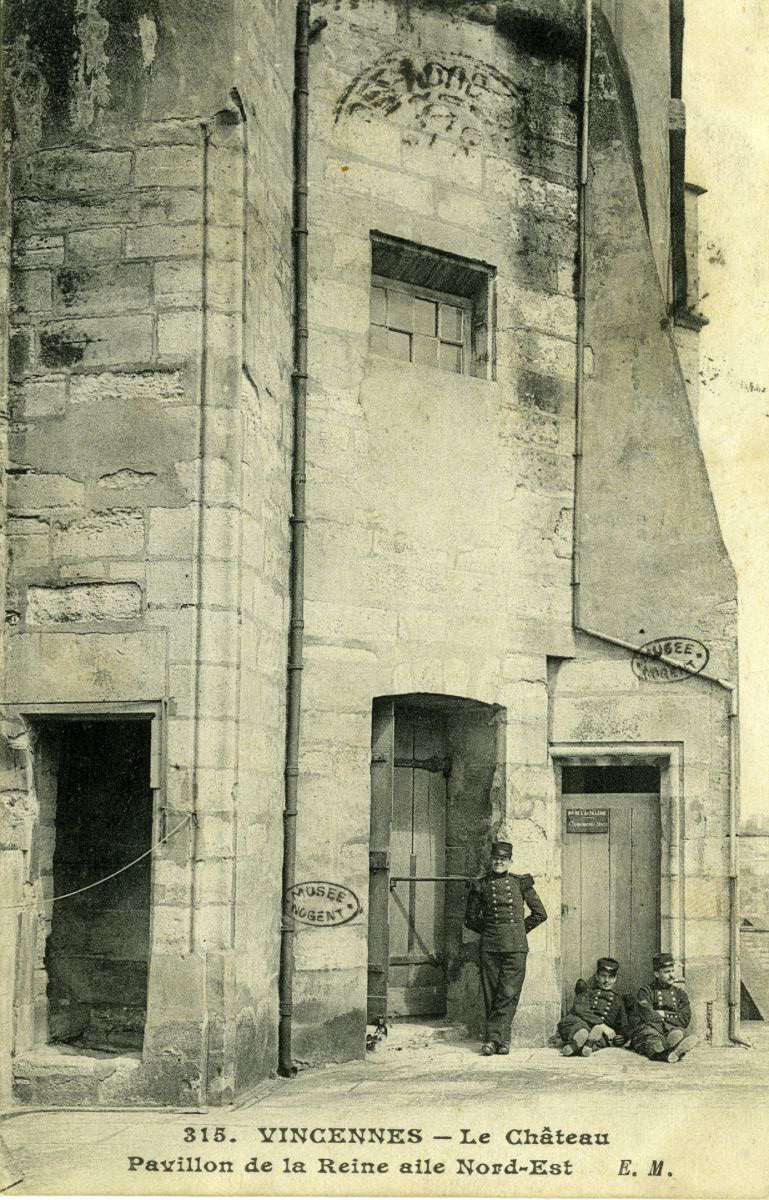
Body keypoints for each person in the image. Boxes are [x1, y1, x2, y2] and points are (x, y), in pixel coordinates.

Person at [464, 839, 547, 1056]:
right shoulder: (480, 885)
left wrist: (517, 931)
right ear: (491, 860)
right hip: (490, 946)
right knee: (491, 994)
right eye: (496, 858)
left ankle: (494, 1039)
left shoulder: (521, 883)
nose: (499, 862)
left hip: (516, 947)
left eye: (503, 859)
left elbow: (540, 914)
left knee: (509, 993)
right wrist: (492, 930)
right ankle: (501, 1041)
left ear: (510, 861)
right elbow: (470, 919)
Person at [630, 952, 698, 1062]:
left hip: (672, 1029)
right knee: (650, 1037)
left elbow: (685, 1018)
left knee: (680, 1033)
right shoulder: (646, 992)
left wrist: (663, 1014)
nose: (672, 975)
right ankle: (670, 1051)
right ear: (657, 974)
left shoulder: (680, 994)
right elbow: (648, 1015)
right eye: (667, 972)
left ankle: (669, 1048)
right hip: (651, 1028)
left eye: (672, 971)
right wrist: (672, 1017)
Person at [557, 956, 630, 1056]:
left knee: (601, 1037)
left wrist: (622, 1037)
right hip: (581, 1023)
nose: (606, 980)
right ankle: (586, 1043)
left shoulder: (618, 1000)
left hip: (599, 1033)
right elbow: (580, 1009)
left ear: (615, 978)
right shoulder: (586, 990)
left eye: (611, 977)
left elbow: (624, 1025)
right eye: (603, 976)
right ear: (596, 976)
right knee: (577, 1026)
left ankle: (575, 1046)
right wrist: (602, 1025)